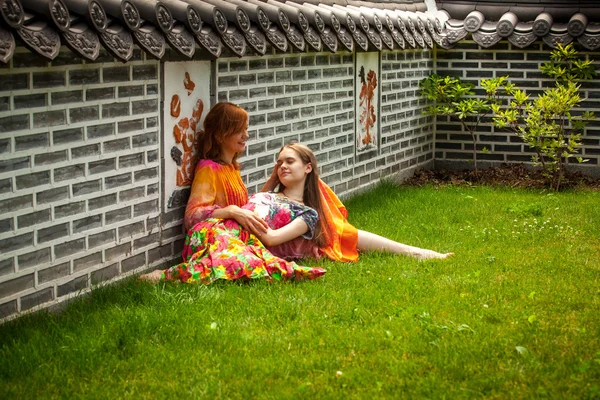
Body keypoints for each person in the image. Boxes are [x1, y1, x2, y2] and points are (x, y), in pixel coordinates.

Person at [140, 143, 327, 283]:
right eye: (279, 163)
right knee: (232, 259)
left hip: (239, 241)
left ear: (308, 167)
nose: (282, 166)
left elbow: (271, 238)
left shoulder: (307, 214)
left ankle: (167, 276)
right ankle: (277, 269)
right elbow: (256, 203)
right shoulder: (269, 194)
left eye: (289, 161)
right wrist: (273, 178)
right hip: (212, 230)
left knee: (233, 261)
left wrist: (241, 217)